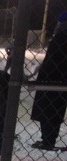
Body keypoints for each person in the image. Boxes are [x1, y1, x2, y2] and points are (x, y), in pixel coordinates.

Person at [31, 11, 67, 150]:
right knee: (53, 110)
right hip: (56, 79)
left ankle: (48, 141)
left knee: (49, 110)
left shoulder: (61, 37)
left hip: (52, 79)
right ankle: (47, 140)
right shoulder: (60, 37)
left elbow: (53, 61)